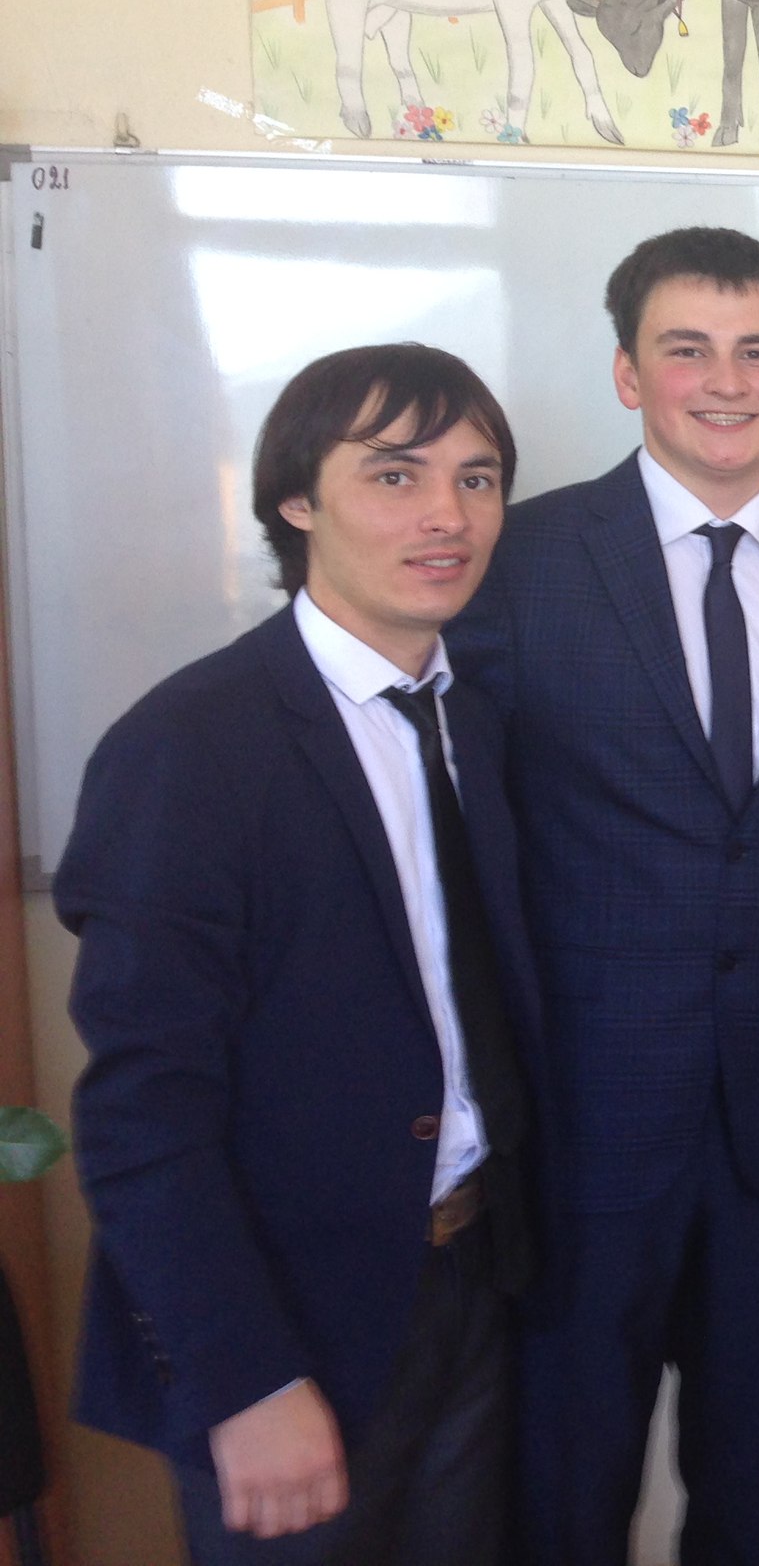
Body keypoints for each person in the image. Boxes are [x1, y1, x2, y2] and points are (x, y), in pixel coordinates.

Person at [448, 227, 759, 1566]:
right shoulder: (519, 561)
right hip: (585, 1122)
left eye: (757, 351)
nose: (726, 381)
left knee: (757, 1481)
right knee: (567, 1484)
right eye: (687, 350)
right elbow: (469, 848)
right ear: (626, 373)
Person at [60, 345, 538, 1563]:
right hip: (290, 1323)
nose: (447, 514)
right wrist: (245, 1379)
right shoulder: (190, 746)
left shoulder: (476, 721)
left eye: (478, 479)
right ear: (296, 500)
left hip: (471, 1284)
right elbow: (141, 1109)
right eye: (395, 475)